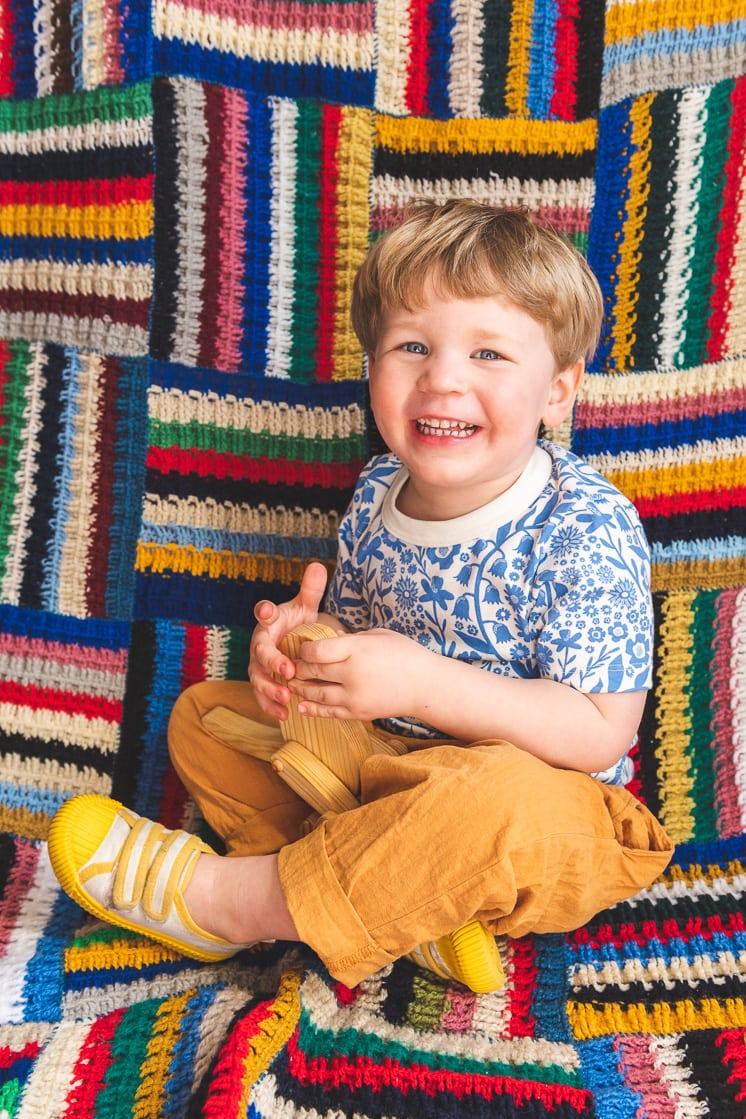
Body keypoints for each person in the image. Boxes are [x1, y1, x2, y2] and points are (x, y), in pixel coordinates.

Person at [48, 200, 673, 994]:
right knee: (203, 716)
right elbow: (359, 642)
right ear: (373, 365)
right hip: (385, 766)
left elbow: (596, 730)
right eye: (412, 346)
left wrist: (422, 682)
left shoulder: (585, 524)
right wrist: (304, 655)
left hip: (554, 809)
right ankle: (411, 908)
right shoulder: (378, 489)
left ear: (558, 390)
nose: (443, 378)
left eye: (488, 352)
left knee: (497, 804)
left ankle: (226, 903)